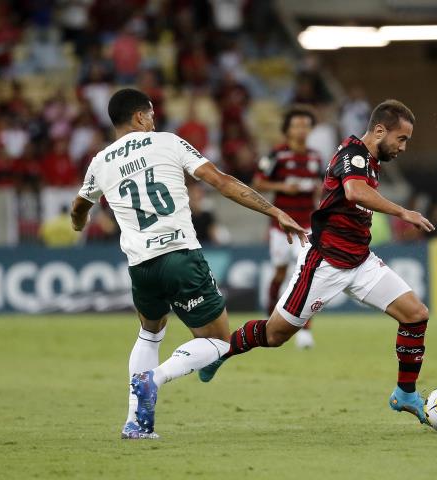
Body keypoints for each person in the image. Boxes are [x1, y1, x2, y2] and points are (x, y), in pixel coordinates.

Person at [69, 88, 307, 440]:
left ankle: (136, 423)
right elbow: (222, 182)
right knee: (219, 342)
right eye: (150, 114)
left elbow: (78, 208)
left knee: (150, 332)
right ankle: (155, 378)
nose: (153, 120)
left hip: (141, 266)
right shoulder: (166, 142)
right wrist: (274, 210)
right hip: (180, 254)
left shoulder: (101, 161)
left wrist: (79, 223)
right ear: (138, 117)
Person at [199, 100, 436, 424]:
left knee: (416, 315)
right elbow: (354, 192)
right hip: (325, 262)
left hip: (360, 261)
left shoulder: (370, 160)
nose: (403, 147)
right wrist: (402, 211)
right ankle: (221, 350)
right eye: (402, 139)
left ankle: (405, 394)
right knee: (275, 335)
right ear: (379, 130)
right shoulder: (352, 153)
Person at [251, 106, 322, 348]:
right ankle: (271, 317)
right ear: (287, 129)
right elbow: (257, 182)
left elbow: (320, 188)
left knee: (308, 276)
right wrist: (282, 187)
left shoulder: (315, 157)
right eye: (296, 125)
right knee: (280, 273)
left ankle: (305, 331)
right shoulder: (277, 155)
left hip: (307, 226)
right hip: (281, 226)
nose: (301, 129)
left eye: (305, 125)